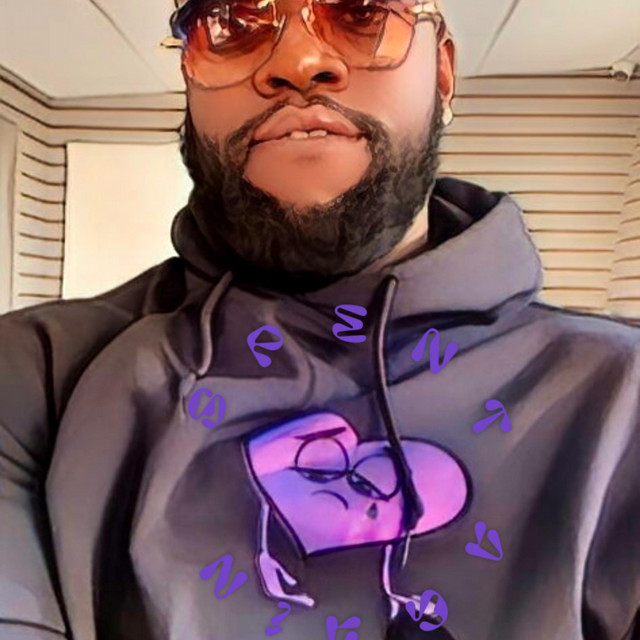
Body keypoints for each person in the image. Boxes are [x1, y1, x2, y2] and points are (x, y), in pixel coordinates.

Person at [0, 0, 639, 638]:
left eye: (361, 12)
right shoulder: (37, 378)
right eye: (232, 22)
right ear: (189, 82)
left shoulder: (624, 399)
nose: (299, 61)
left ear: (442, 75)